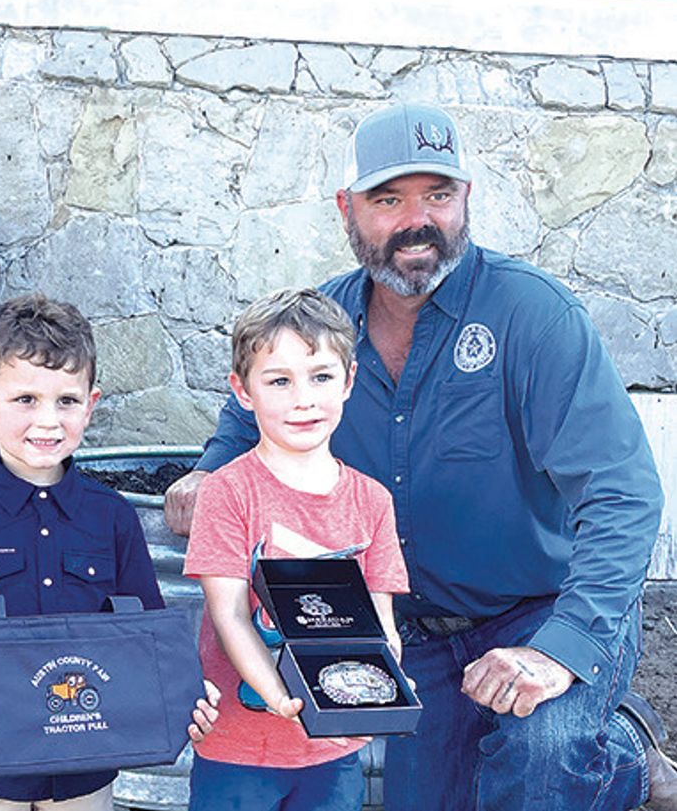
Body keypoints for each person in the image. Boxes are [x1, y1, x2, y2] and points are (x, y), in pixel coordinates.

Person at [164, 102, 677, 811]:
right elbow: (242, 420)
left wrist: (560, 648)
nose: (418, 220)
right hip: (410, 634)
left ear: (466, 199)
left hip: (540, 606)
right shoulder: (321, 325)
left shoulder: (534, 317)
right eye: (389, 199)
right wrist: (206, 471)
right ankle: (602, 759)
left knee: (541, 753)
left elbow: (623, 494)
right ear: (347, 209)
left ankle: (611, 755)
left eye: (438, 194)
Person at [0, 294, 220, 811]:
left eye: (66, 400)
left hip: (85, 767)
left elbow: (150, 638)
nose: (48, 421)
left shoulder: (113, 516)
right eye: (25, 400)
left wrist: (187, 693)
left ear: (92, 402)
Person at [183, 287, 408, 811]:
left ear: (349, 381)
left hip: (333, 752)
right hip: (238, 749)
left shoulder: (372, 501)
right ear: (243, 391)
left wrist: (386, 681)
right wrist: (283, 696)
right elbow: (230, 616)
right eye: (279, 381)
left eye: (321, 377)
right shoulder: (227, 490)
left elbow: (381, 623)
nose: (303, 399)